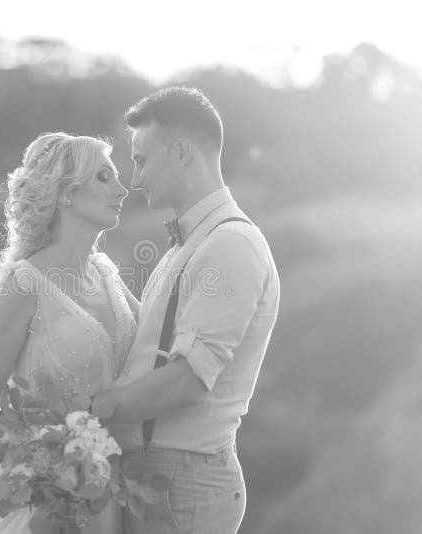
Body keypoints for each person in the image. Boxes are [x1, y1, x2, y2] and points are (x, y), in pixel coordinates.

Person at [92, 86, 280, 534]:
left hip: (183, 483)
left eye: (141, 160)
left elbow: (188, 379)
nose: (135, 179)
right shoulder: (192, 244)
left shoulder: (230, 245)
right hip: (163, 478)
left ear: (181, 152)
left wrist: (90, 410)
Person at [0, 132, 133, 534]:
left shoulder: (106, 273)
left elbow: (155, 347)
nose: (123, 188)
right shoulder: (25, 283)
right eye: (104, 176)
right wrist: (45, 460)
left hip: (109, 491)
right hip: (45, 505)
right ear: (67, 192)